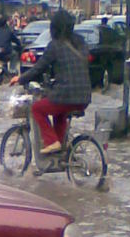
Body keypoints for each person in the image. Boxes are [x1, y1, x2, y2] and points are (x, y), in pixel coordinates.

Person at [9, 9, 92, 155]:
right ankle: (59, 150)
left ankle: (52, 142)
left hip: (67, 95)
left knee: (37, 109)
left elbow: (38, 68)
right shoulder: (80, 43)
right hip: (84, 97)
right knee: (59, 113)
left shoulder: (55, 45)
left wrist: (20, 79)